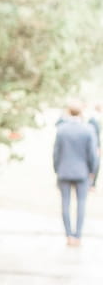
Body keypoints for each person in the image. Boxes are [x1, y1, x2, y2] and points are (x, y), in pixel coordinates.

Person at [53, 102, 98, 246]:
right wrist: (92, 171)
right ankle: (77, 235)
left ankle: (68, 235)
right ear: (81, 113)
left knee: (65, 204)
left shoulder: (62, 129)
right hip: (82, 172)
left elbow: (56, 153)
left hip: (64, 171)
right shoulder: (88, 129)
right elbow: (92, 154)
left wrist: (57, 170)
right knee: (81, 204)